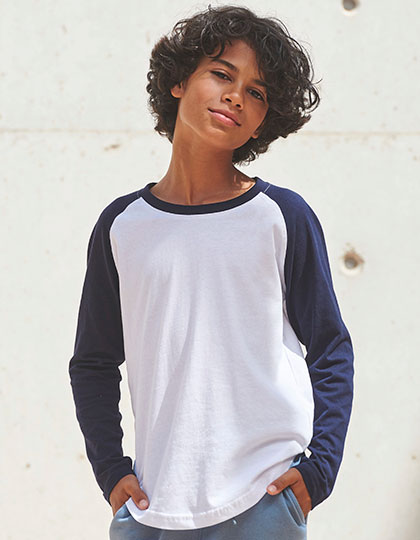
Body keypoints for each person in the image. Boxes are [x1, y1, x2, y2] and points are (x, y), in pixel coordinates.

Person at [69, 5, 354, 539]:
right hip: (151, 508)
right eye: (222, 74)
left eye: (257, 92)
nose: (236, 97)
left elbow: (331, 348)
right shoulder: (123, 225)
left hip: (263, 501)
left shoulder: (280, 216)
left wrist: (319, 471)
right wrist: (110, 469)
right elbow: (93, 361)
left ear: (264, 118)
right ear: (179, 81)